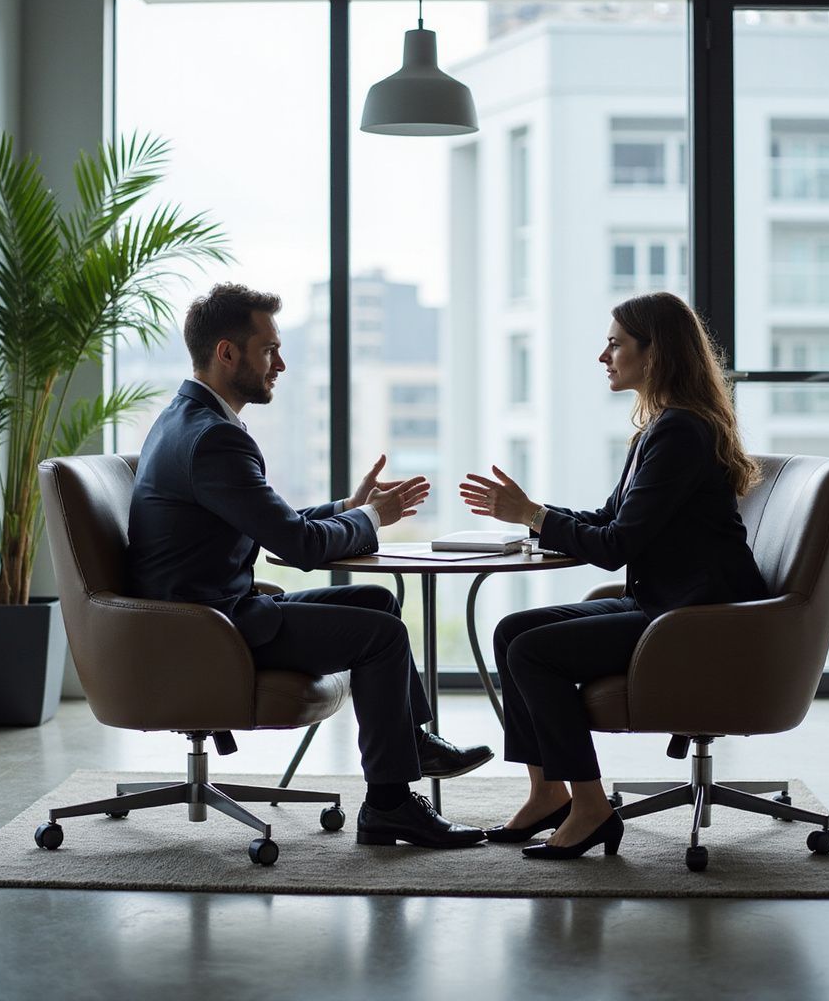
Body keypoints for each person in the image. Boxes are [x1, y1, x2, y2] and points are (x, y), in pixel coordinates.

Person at [127, 282, 491, 849]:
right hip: (206, 632)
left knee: (375, 602)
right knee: (382, 635)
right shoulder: (214, 437)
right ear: (227, 353)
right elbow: (295, 546)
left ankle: (410, 742)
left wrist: (348, 510)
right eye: (269, 349)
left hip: (204, 615)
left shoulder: (186, 420)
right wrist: (370, 517)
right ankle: (390, 805)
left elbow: (271, 524)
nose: (282, 363)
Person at [459, 291, 768, 860]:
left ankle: (591, 805)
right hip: (665, 602)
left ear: (655, 353)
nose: (605, 356)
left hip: (694, 618)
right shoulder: (661, 428)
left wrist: (533, 516)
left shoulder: (679, 433)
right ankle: (548, 792)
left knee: (533, 652)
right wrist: (531, 514)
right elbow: (609, 520)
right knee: (511, 632)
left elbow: (615, 546)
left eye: (615, 344)